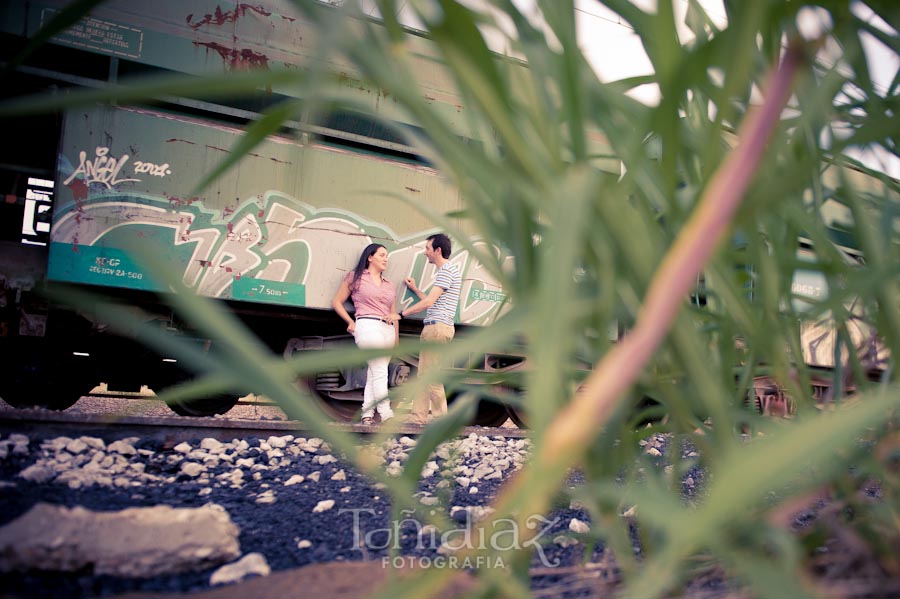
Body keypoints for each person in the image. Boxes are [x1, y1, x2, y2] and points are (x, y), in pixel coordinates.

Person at [393, 233, 462, 425]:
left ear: (438, 250)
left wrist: (401, 314)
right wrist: (415, 290)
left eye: (427, 249)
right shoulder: (447, 272)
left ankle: (441, 423)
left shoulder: (446, 271)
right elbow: (433, 300)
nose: (425, 253)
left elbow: (429, 302)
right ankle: (418, 419)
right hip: (436, 327)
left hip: (437, 328)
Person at [331, 243, 398, 425]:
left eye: (387, 256)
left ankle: (367, 414)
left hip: (387, 330)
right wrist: (350, 321)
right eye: (382, 255)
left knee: (374, 371)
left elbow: (393, 313)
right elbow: (337, 301)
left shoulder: (389, 285)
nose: (386, 258)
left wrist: (396, 337)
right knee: (379, 370)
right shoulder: (356, 277)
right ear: (370, 257)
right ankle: (386, 414)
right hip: (367, 324)